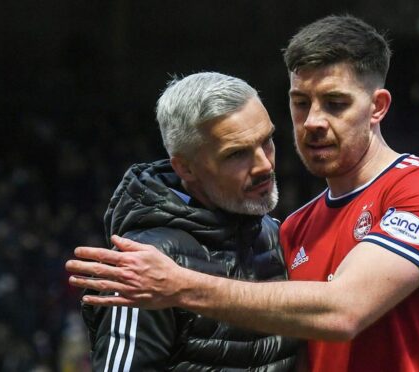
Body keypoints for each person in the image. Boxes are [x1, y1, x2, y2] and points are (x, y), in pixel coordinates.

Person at [67, 15, 419, 371]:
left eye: (336, 103)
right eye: (301, 103)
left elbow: (344, 310)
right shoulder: (292, 229)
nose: (312, 122)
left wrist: (179, 285)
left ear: (377, 106)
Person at [77, 72, 300, 370]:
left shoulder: (274, 233)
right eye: (237, 154)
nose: (264, 165)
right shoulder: (140, 266)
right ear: (186, 168)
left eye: (267, 141)